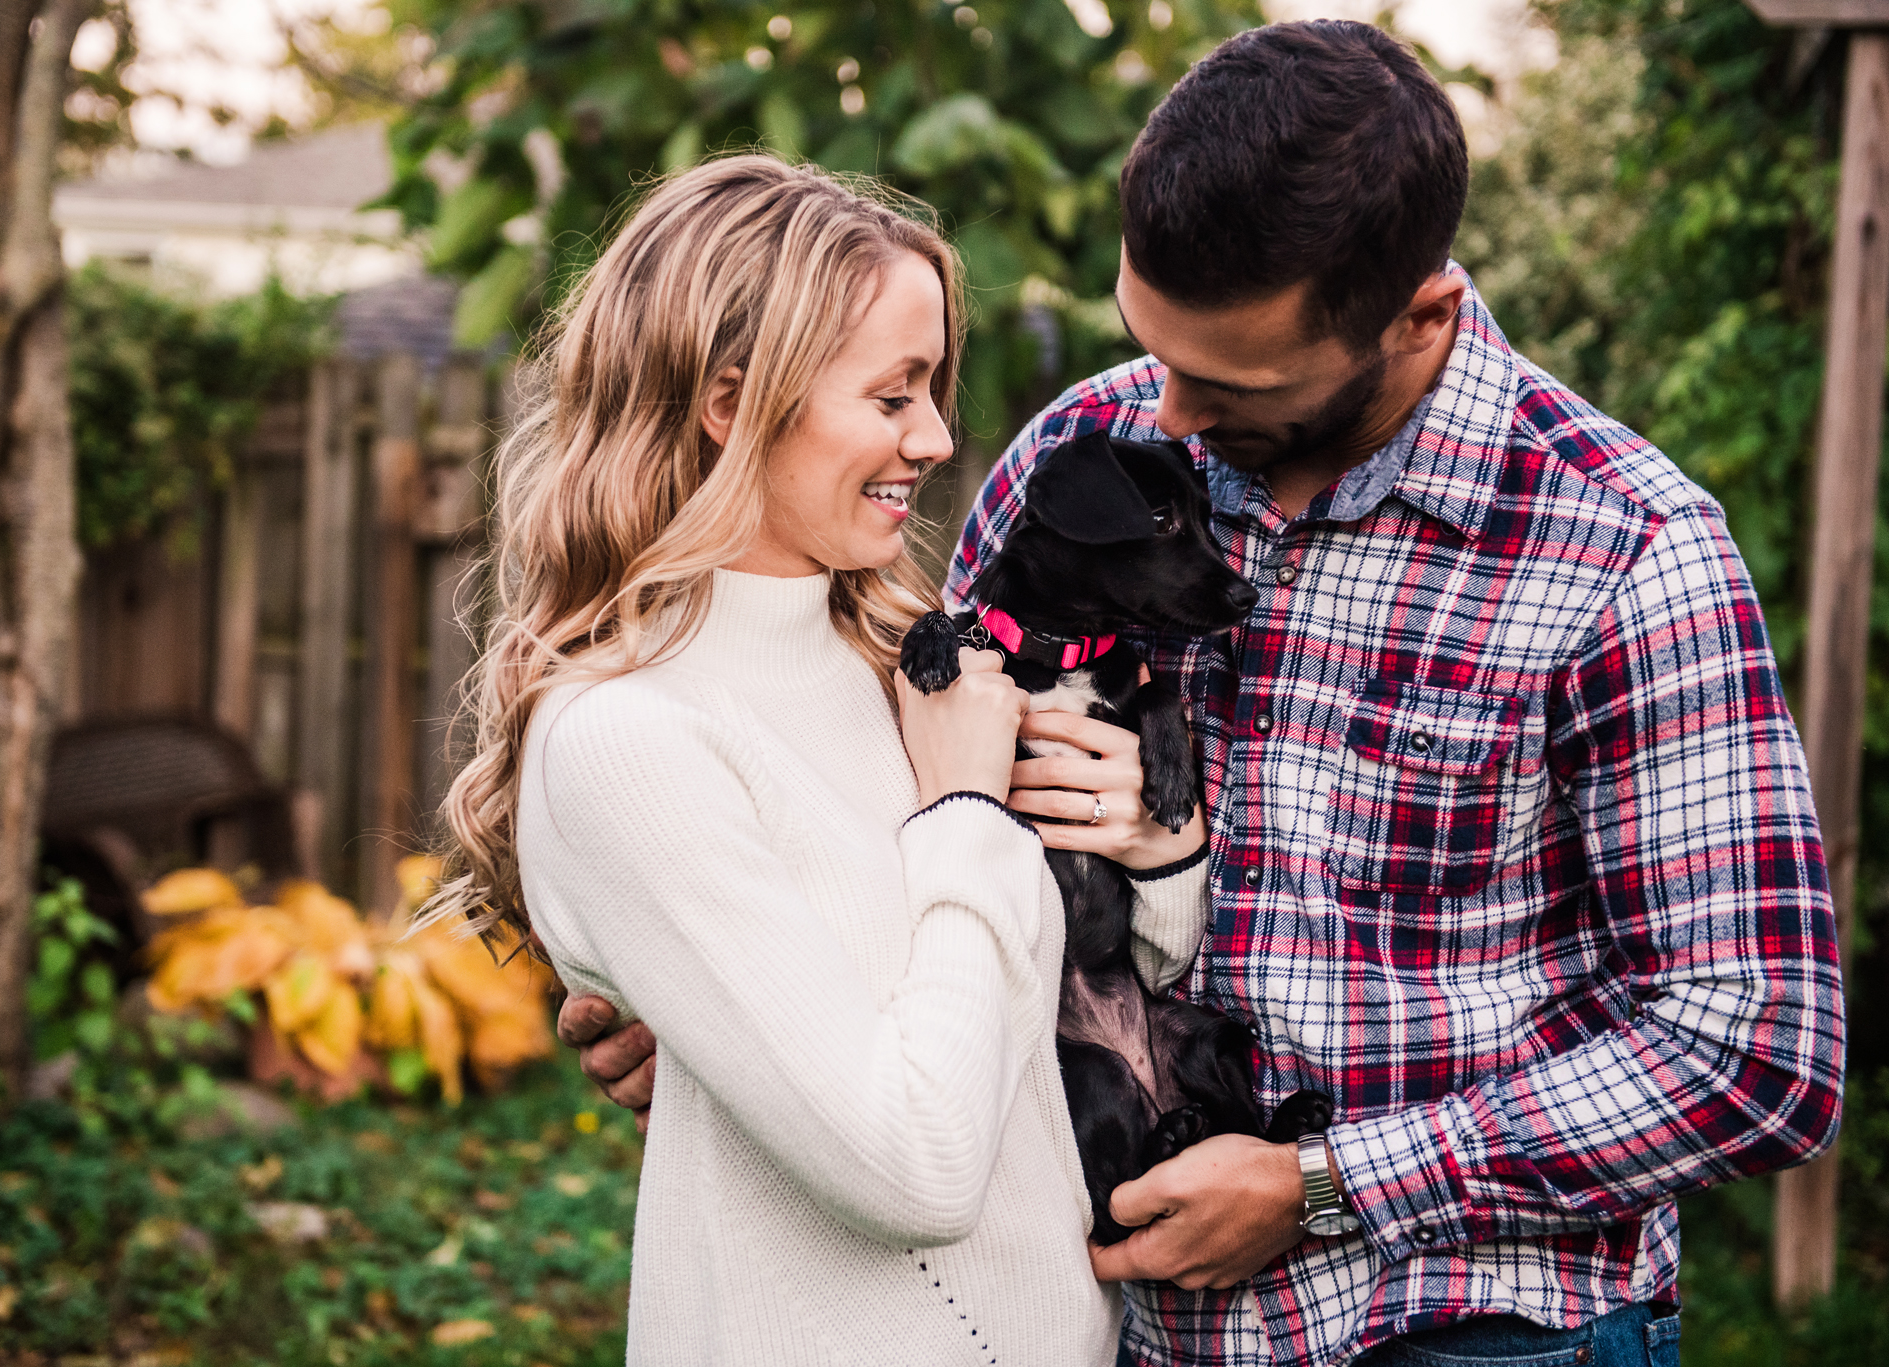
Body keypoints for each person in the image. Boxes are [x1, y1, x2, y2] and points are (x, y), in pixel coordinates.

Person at [561, 20, 1848, 1367]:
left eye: (1227, 382)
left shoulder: (1624, 550)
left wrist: (1327, 1184)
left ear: (1420, 317)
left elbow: (1755, 1046)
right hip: (1117, 1324)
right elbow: (936, 819)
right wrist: (745, 1015)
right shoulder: (1081, 455)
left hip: (1468, 1331)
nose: (1159, 411)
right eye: (1147, 343)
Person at [424, 155, 1213, 1365]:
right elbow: (913, 1162)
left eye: (933, 391)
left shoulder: (912, 666)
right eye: (893, 397)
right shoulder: (628, 739)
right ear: (731, 401)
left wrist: (1157, 846)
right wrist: (963, 805)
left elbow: (1126, 966)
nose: (938, 437)